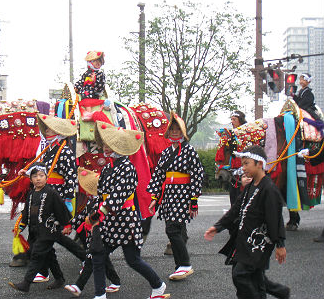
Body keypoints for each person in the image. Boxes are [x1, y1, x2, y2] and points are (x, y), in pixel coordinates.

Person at [88, 121, 169, 299]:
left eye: (109, 145)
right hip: (109, 219)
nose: (105, 148)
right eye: (104, 144)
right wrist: (95, 210)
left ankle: (158, 284)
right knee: (99, 256)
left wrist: (99, 213)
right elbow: (100, 193)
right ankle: (100, 294)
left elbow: (118, 196)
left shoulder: (127, 167)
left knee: (133, 260)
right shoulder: (108, 167)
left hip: (125, 220)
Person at [204, 145, 289, 299]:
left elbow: (275, 218)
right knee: (255, 279)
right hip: (245, 241)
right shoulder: (251, 186)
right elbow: (235, 209)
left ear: (259, 164)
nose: (243, 168)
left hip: (259, 243)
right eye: (242, 164)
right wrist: (218, 227)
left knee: (240, 275)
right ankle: (281, 292)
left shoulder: (269, 189)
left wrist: (280, 244)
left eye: (246, 163)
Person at [13, 114, 85, 287]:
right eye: (45, 128)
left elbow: (70, 178)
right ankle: (51, 273)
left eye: (49, 129)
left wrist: (68, 200)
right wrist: (28, 171)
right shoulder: (50, 150)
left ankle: (85, 259)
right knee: (48, 237)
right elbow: (42, 169)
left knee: (50, 237)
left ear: (58, 132)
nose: (46, 131)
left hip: (56, 197)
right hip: (46, 194)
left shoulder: (65, 151)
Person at [147, 112, 204, 281]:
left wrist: (193, 199)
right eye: (171, 129)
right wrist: (154, 198)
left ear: (183, 132)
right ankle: (180, 266)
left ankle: (185, 264)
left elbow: (197, 174)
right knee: (174, 229)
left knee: (172, 229)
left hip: (183, 194)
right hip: (169, 194)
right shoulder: (165, 152)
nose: (173, 132)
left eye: (177, 129)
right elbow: (158, 175)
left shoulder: (189, 151)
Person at [8, 162, 73, 293]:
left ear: (46, 177)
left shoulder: (51, 193)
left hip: (47, 231)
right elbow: (26, 212)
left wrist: (66, 224)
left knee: (37, 255)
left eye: (41, 175)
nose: (38, 179)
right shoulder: (31, 194)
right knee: (49, 255)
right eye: (35, 176)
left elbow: (60, 209)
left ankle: (26, 283)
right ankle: (59, 278)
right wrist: (21, 226)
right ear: (31, 179)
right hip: (35, 231)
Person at [64, 169, 121, 297]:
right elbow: (81, 217)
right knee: (101, 258)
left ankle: (79, 286)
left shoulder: (103, 202)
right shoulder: (92, 201)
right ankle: (115, 281)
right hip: (94, 234)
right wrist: (70, 225)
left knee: (92, 257)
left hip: (102, 234)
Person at [74, 51, 107, 122]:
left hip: (94, 93)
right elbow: (81, 81)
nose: (98, 63)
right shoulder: (86, 73)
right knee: (84, 95)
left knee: (87, 97)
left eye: (100, 61)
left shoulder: (100, 74)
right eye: (95, 61)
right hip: (85, 92)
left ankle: (88, 114)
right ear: (90, 62)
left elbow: (101, 86)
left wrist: (94, 81)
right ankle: (86, 113)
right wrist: (76, 87)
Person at [228, 110, 247, 206]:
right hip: (233, 168)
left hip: (244, 167)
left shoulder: (246, 133)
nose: (232, 122)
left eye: (234, 119)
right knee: (233, 194)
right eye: (231, 119)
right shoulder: (231, 134)